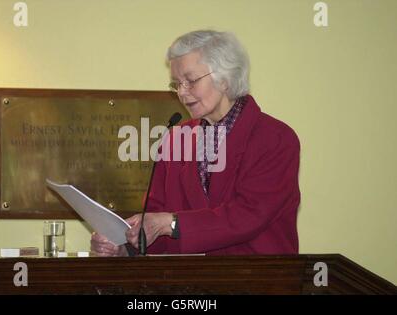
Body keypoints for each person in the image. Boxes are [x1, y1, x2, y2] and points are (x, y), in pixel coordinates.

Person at [91, 30, 300, 256]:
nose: (182, 92)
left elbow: (248, 215)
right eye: (176, 84)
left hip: (256, 282)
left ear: (226, 77)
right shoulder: (175, 139)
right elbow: (154, 217)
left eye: (190, 81)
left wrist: (171, 224)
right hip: (188, 283)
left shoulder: (275, 138)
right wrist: (123, 248)